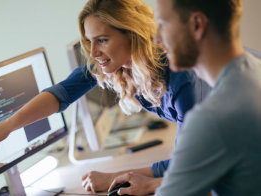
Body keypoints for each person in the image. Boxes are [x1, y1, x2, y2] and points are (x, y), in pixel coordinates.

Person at [0, 0, 210, 193]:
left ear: (132, 33)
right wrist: (8, 125)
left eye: (102, 40)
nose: (94, 52)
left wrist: (131, 179)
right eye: (90, 41)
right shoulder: (127, 66)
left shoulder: (180, 78)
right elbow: (62, 93)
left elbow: (195, 166)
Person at [108, 0, 261, 195]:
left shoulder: (213, 118)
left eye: (164, 24)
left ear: (197, 25)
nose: (156, 38)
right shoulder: (255, 71)